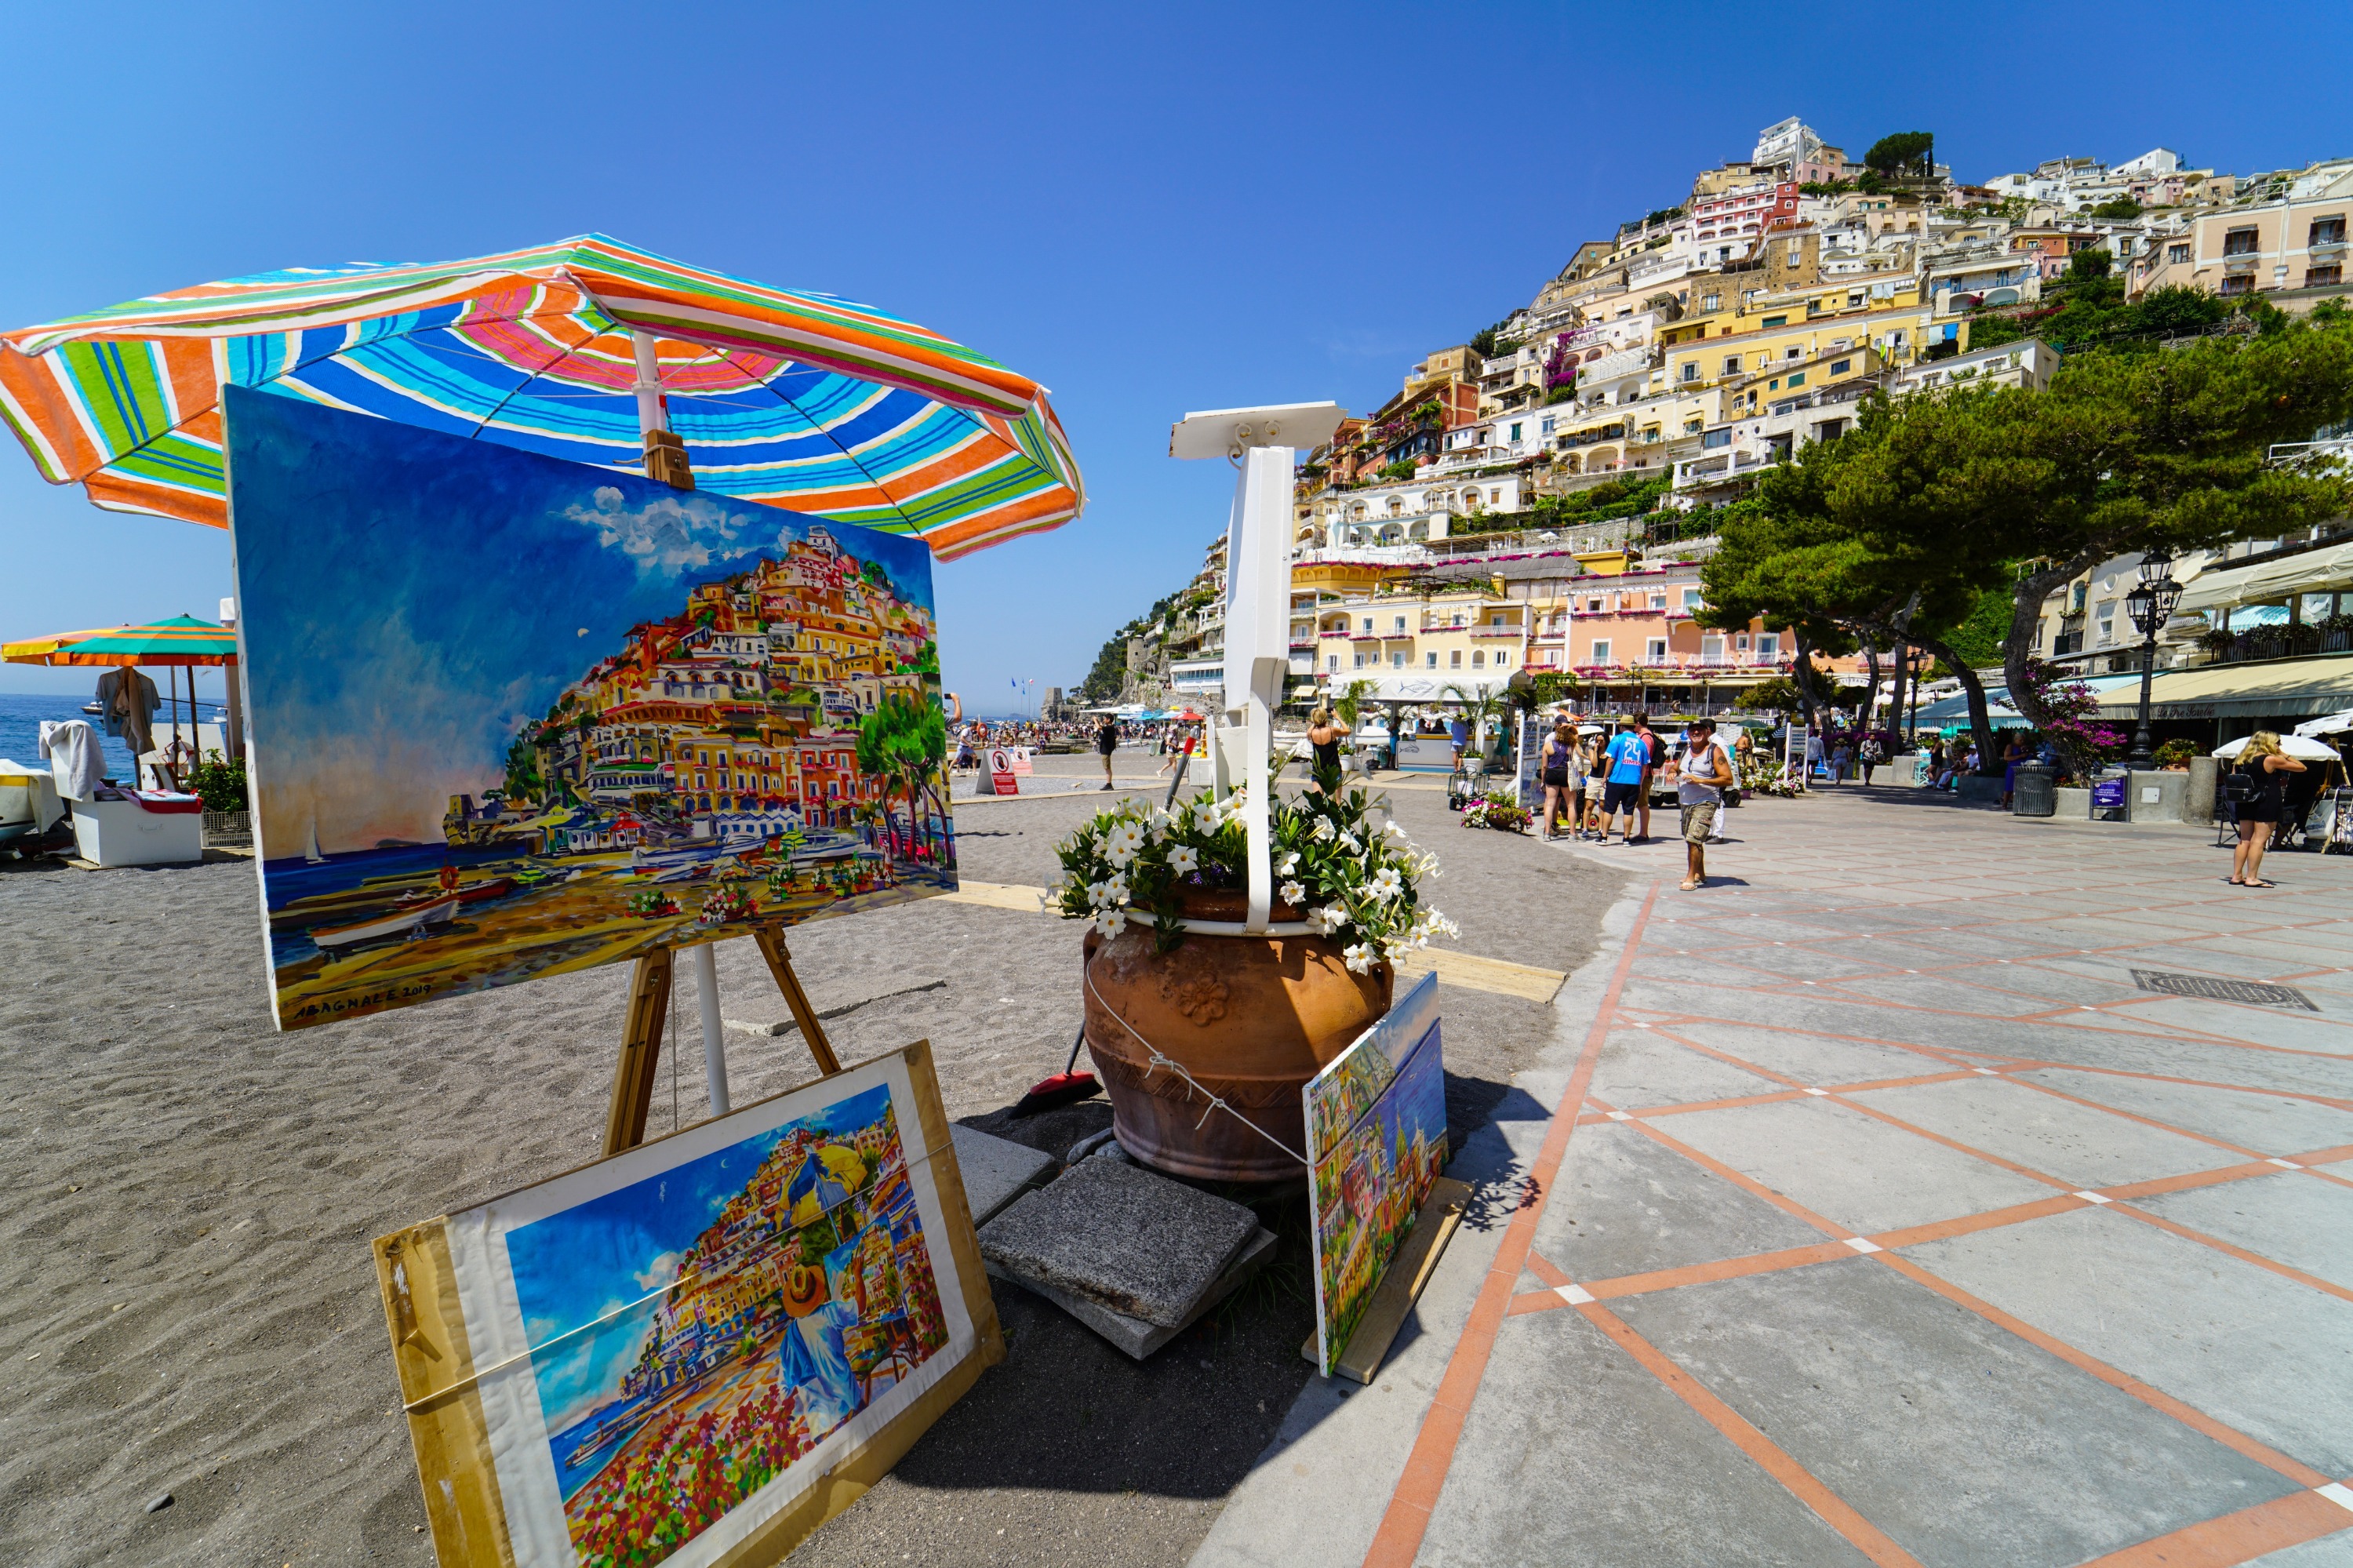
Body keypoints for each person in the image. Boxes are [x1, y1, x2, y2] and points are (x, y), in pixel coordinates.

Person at [2230, 733, 2304, 886]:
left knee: (2244, 839)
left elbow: (2234, 777)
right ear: (2269, 743)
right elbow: (2301, 767)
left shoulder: (2241, 760)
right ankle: (2251, 878)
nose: (2280, 745)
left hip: (2245, 801)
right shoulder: (2270, 759)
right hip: (2266, 800)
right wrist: (2284, 755)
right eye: (2278, 742)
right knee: (2259, 840)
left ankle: (2237, 876)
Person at [1675, 719, 1733, 890]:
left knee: (1694, 839)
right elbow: (1677, 768)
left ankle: (1690, 877)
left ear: (1707, 732)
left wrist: (1699, 780)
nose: (1696, 733)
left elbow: (1728, 779)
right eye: (1692, 730)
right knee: (1692, 840)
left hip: (1707, 800)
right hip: (1686, 801)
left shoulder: (1715, 752)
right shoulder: (1686, 750)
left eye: (1699, 730)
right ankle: (1700, 872)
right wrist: (1672, 774)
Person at [1598, 716, 1648, 845]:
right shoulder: (1641, 743)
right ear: (1633, 726)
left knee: (1609, 809)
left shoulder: (1618, 739)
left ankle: (1604, 837)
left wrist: (1605, 777)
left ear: (1621, 727)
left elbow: (1610, 760)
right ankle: (1626, 838)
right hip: (1634, 782)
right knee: (1628, 811)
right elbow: (1644, 766)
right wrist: (1641, 783)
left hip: (1617, 779)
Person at [1540, 717, 1577, 840]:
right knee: (1571, 804)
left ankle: (1547, 833)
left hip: (1552, 773)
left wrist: (1543, 781)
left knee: (1550, 803)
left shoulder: (1547, 746)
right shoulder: (1571, 745)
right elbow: (1576, 733)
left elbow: (1544, 766)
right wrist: (1569, 727)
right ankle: (1572, 834)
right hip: (1565, 773)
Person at [1305, 705, 1351, 794]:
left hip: (1318, 770)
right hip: (1333, 769)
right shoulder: (1332, 731)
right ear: (1325, 718)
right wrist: (1337, 717)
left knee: (1317, 802)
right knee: (1336, 802)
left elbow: (1308, 733)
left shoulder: (1311, 733)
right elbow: (1348, 731)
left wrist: (1315, 723)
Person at [1634, 715, 1660, 842]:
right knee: (1640, 804)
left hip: (1645, 776)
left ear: (1638, 723)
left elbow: (1645, 759)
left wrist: (1640, 779)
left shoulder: (1646, 738)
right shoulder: (1644, 736)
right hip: (1643, 775)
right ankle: (1642, 833)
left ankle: (1643, 833)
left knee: (1643, 804)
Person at [1095, 714, 1120, 791]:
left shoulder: (1110, 728)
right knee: (1106, 767)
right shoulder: (1109, 728)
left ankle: (1109, 784)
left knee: (1107, 768)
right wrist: (1098, 721)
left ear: (1108, 720)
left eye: (1105, 719)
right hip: (1105, 750)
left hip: (1106, 750)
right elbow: (1101, 727)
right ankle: (1108, 784)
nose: (1104, 720)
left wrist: (1095, 720)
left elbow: (1099, 728)